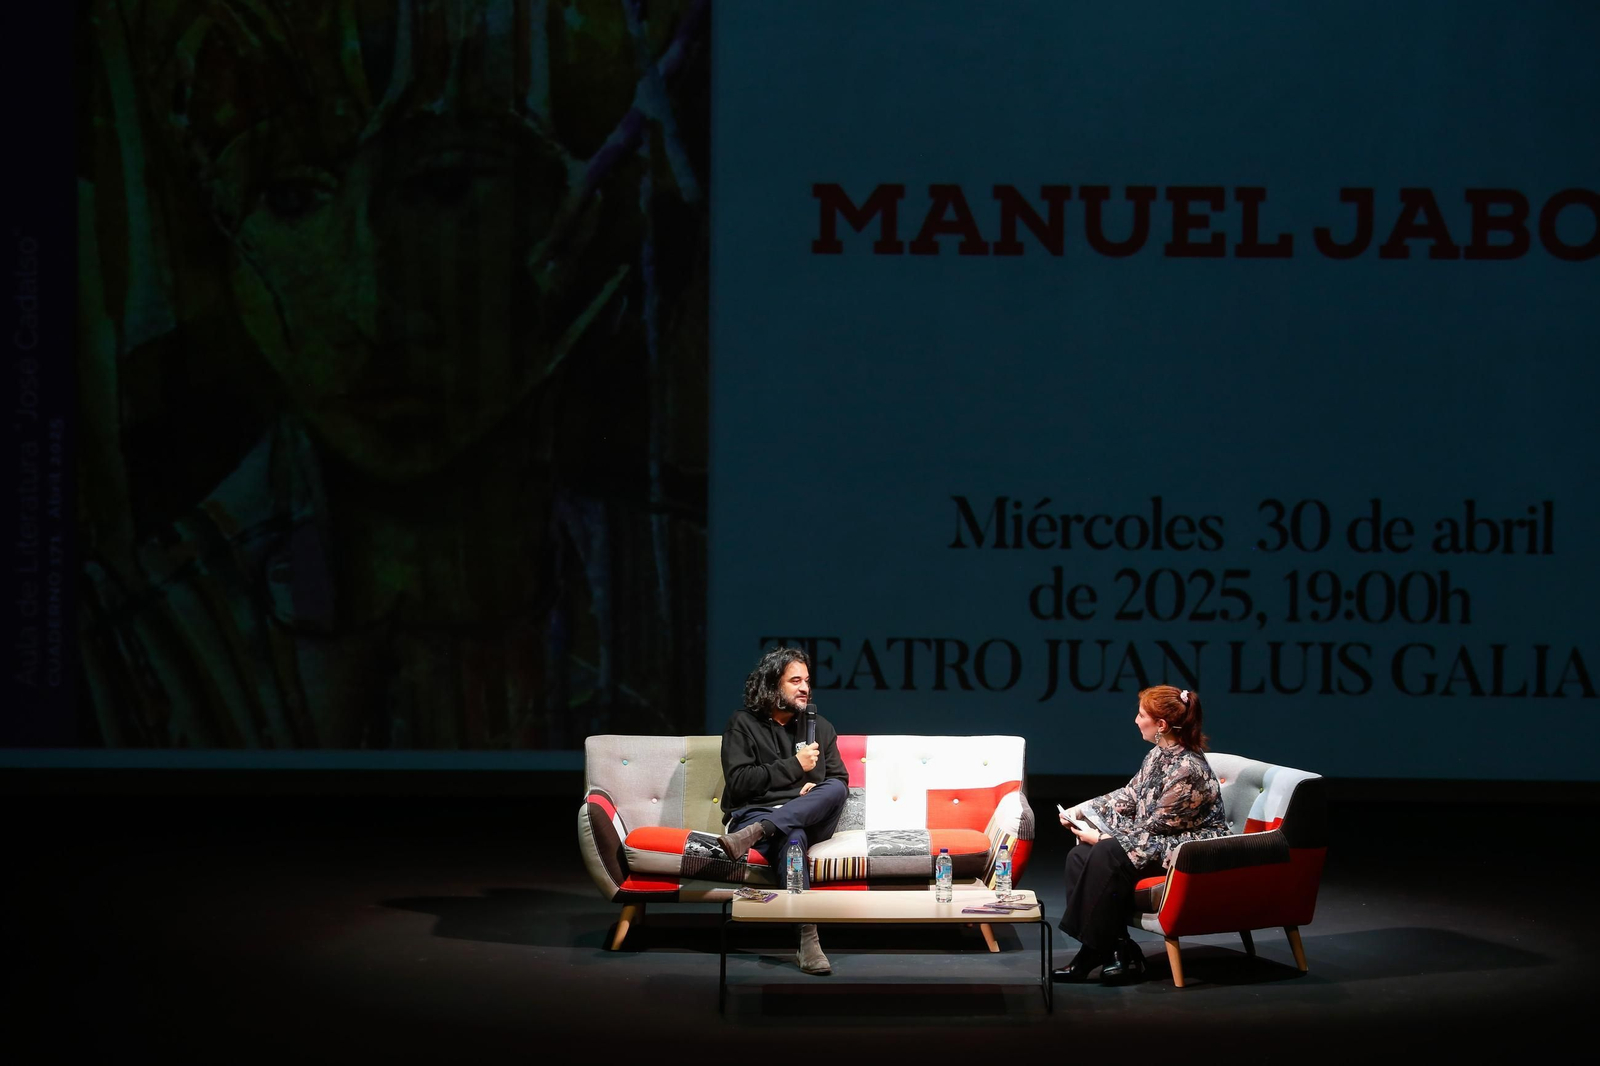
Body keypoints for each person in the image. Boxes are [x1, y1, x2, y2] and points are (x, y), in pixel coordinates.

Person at [1053, 685, 1229, 985]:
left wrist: (1101, 838)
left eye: (1141, 715)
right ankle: (1114, 948)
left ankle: (1094, 951)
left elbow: (1155, 827)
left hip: (1188, 850)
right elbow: (1130, 795)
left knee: (1105, 851)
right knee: (1079, 855)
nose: (1136, 720)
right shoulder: (1158, 755)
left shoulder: (1187, 769)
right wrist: (1081, 810)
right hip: (1159, 838)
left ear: (1161, 725)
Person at [717, 647, 849, 975]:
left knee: (834, 789)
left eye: (807, 681)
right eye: (795, 681)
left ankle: (760, 832)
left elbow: (839, 781)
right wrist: (795, 767)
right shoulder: (743, 724)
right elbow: (739, 783)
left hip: (797, 818)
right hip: (757, 812)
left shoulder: (820, 727)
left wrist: (813, 789)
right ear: (773, 684)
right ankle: (808, 939)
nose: (805, 688)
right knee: (792, 837)